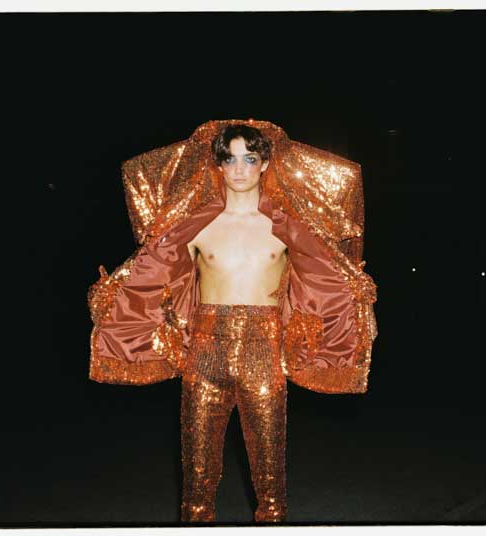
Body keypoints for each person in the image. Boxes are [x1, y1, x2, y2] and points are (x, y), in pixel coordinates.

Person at [87, 119, 377, 523]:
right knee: (197, 484)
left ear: (265, 164)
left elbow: (326, 272)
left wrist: (356, 300)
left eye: (249, 158)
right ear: (218, 165)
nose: (239, 169)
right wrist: (116, 294)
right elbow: (153, 267)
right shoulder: (197, 225)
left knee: (270, 483)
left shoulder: (285, 226)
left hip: (265, 355)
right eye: (230, 159)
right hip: (204, 356)